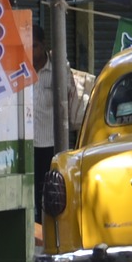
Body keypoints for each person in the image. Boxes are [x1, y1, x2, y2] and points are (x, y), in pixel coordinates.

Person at [30, 29, 94, 178]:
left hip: (50, 144)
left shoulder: (56, 68)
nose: (31, 52)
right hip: (29, 144)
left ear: (43, 45)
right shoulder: (22, 69)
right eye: (27, 47)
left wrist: (61, 62)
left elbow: (65, 93)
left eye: (34, 46)